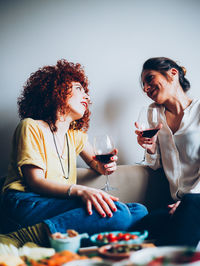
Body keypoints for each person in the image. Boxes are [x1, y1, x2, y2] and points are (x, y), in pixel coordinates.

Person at [0, 59, 147, 247]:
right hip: (24, 203)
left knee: (138, 211)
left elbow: (97, 164)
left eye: (85, 91)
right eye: (78, 89)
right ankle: (18, 238)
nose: (85, 96)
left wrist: (105, 166)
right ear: (56, 90)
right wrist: (81, 191)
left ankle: (65, 238)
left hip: (55, 203)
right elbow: (34, 181)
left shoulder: (76, 136)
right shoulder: (31, 126)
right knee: (118, 213)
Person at [135, 57, 200, 247]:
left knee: (190, 207)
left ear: (173, 74)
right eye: (143, 85)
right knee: (141, 227)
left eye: (150, 79)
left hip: (195, 199)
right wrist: (151, 149)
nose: (146, 88)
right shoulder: (152, 113)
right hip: (176, 202)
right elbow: (155, 164)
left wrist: (189, 202)